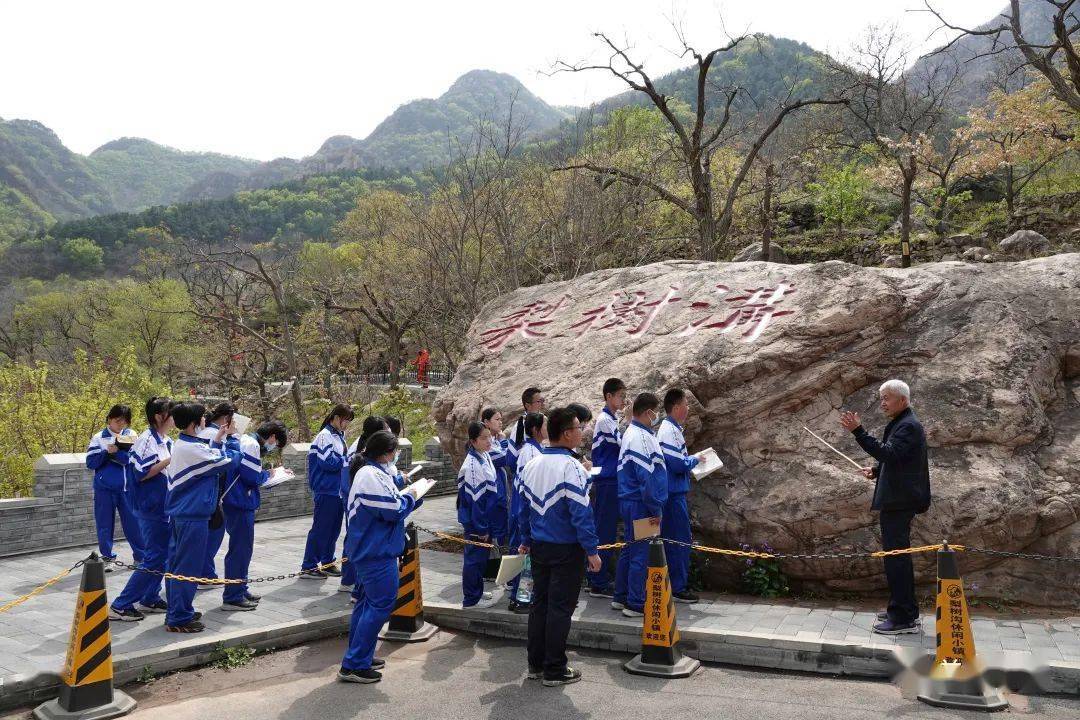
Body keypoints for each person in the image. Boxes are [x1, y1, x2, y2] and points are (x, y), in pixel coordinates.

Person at [516, 406, 602, 687]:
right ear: (566, 434)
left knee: (539, 605)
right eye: (578, 428)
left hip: (540, 546)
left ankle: (535, 664)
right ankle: (555, 668)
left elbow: (523, 511)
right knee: (560, 609)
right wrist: (592, 550)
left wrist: (526, 540)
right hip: (566, 549)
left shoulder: (531, 465)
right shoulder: (571, 467)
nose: (581, 433)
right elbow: (581, 514)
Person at [841, 379, 931, 636]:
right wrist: (877, 471)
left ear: (902, 400)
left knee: (896, 558)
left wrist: (859, 431)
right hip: (898, 499)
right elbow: (899, 460)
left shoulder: (909, 426)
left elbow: (889, 453)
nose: (882, 402)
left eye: (887, 398)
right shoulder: (903, 423)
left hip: (900, 502)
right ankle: (902, 609)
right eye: (881, 397)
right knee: (896, 557)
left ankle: (903, 618)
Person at [338, 431, 423, 684]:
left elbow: (392, 503)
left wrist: (409, 498)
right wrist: (413, 496)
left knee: (366, 604)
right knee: (381, 604)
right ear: (386, 453)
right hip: (375, 553)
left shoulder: (373, 472)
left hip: (374, 549)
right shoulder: (369, 476)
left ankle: (360, 654)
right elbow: (393, 509)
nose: (396, 456)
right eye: (395, 451)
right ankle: (354, 664)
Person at [164, 402, 241, 633]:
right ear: (194, 423)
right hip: (192, 516)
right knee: (187, 567)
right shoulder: (191, 449)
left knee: (178, 564)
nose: (205, 422)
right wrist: (233, 438)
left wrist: (218, 439)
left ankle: (179, 610)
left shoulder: (186, 444)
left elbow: (212, 453)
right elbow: (229, 461)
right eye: (202, 419)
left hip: (184, 514)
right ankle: (179, 617)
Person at [109, 397, 173, 621]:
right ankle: (121, 604)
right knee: (154, 558)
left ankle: (149, 597)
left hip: (163, 506)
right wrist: (170, 461)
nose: (174, 417)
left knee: (162, 556)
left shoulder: (165, 440)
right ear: (159, 416)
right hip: (150, 507)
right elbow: (141, 473)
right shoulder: (146, 440)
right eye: (170, 412)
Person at [220, 420, 288, 611]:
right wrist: (270, 475)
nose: (273, 447)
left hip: (238, 501)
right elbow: (252, 477)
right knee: (240, 550)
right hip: (240, 502)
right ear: (272, 436)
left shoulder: (247, 441)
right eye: (276, 443)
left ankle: (240, 588)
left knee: (243, 549)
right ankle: (233, 595)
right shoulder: (251, 445)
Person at [613, 392, 668, 618]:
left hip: (632, 502)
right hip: (641, 504)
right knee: (641, 553)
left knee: (630, 548)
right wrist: (655, 508)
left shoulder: (634, 433)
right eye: (656, 412)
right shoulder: (641, 437)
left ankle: (620, 595)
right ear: (648, 412)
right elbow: (646, 477)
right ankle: (635, 603)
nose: (657, 417)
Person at [658, 389, 704, 604]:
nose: (688, 409)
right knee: (679, 540)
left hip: (674, 492)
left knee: (675, 539)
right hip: (673, 494)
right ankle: (678, 587)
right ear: (676, 407)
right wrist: (696, 459)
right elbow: (677, 463)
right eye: (686, 404)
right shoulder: (669, 431)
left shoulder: (672, 429)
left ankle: (676, 583)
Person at [86, 404, 144, 569]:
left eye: (124, 422)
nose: (121, 425)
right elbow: (90, 462)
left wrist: (116, 453)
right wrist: (106, 453)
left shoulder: (131, 435)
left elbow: (131, 459)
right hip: (104, 489)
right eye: (118, 421)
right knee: (104, 524)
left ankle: (140, 557)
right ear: (110, 419)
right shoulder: (99, 437)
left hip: (128, 489)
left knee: (134, 525)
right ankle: (107, 558)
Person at [301, 404, 354, 579]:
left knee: (333, 529)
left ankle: (327, 561)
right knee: (321, 529)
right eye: (345, 420)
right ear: (337, 418)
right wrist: (347, 460)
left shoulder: (339, 435)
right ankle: (309, 566)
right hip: (326, 489)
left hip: (336, 490)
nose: (346, 424)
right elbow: (327, 462)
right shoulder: (325, 436)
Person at [341, 415, 388, 593]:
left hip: (357, 496)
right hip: (356, 498)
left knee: (356, 536)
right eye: (385, 429)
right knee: (356, 537)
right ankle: (351, 580)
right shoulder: (364, 451)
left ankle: (352, 580)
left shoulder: (364, 446)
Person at [587, 378, 625, 597]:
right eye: (619, 395)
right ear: (608, 396)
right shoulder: (604, 420)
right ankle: (597, 581)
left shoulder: (612, 418)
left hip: (612, 480)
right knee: (605, 531)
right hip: (607, 481)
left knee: (608, 530)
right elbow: (622, 443)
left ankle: (598, 577)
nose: (622, 400)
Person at [457, 421, 499, 609]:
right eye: (483, 438)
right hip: (476, 521)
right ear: (473, 441)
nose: (488, 441)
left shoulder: (484, 456)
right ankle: (471, 598)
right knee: (474, 559)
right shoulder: (473, 465)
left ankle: (478, 591)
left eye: (489, 436)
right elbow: (475, 501)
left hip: (485, 517)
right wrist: (481, 527)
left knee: (481, 558)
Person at [198, 403, 240, 587]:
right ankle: (205, 573)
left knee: (211, 531)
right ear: (226, 418)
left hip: (209, 492)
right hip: (211, 493)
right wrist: (231, 437)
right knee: (214, 532)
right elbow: (228, 460)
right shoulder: (214, 435)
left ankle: (206, 572)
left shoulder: (205, 433)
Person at [508, 412, 546, 611]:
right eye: (545, 425)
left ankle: (519, 597)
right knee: (526, 558)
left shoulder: (533, 449)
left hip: (523, 509)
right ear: (535, 429)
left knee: (525, 556)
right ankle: (521, 599)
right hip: (525, 510)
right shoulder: (531, 452)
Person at [481, 408, 510, 551]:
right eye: (497, 419)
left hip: (501, 495)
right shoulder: (486, 443)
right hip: (493, 497)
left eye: (501, 419)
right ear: (486, 422)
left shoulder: (495, 440)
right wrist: (505, 442)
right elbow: (504, 458)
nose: (500, 422)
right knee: (496, 536)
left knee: (501, 533)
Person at [507, 387, 546, 472]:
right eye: (539, 401)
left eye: (542, 400)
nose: (542, 404)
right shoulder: (520, 426)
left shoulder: (544, 419)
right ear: (528, 405)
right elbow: (512, 458)